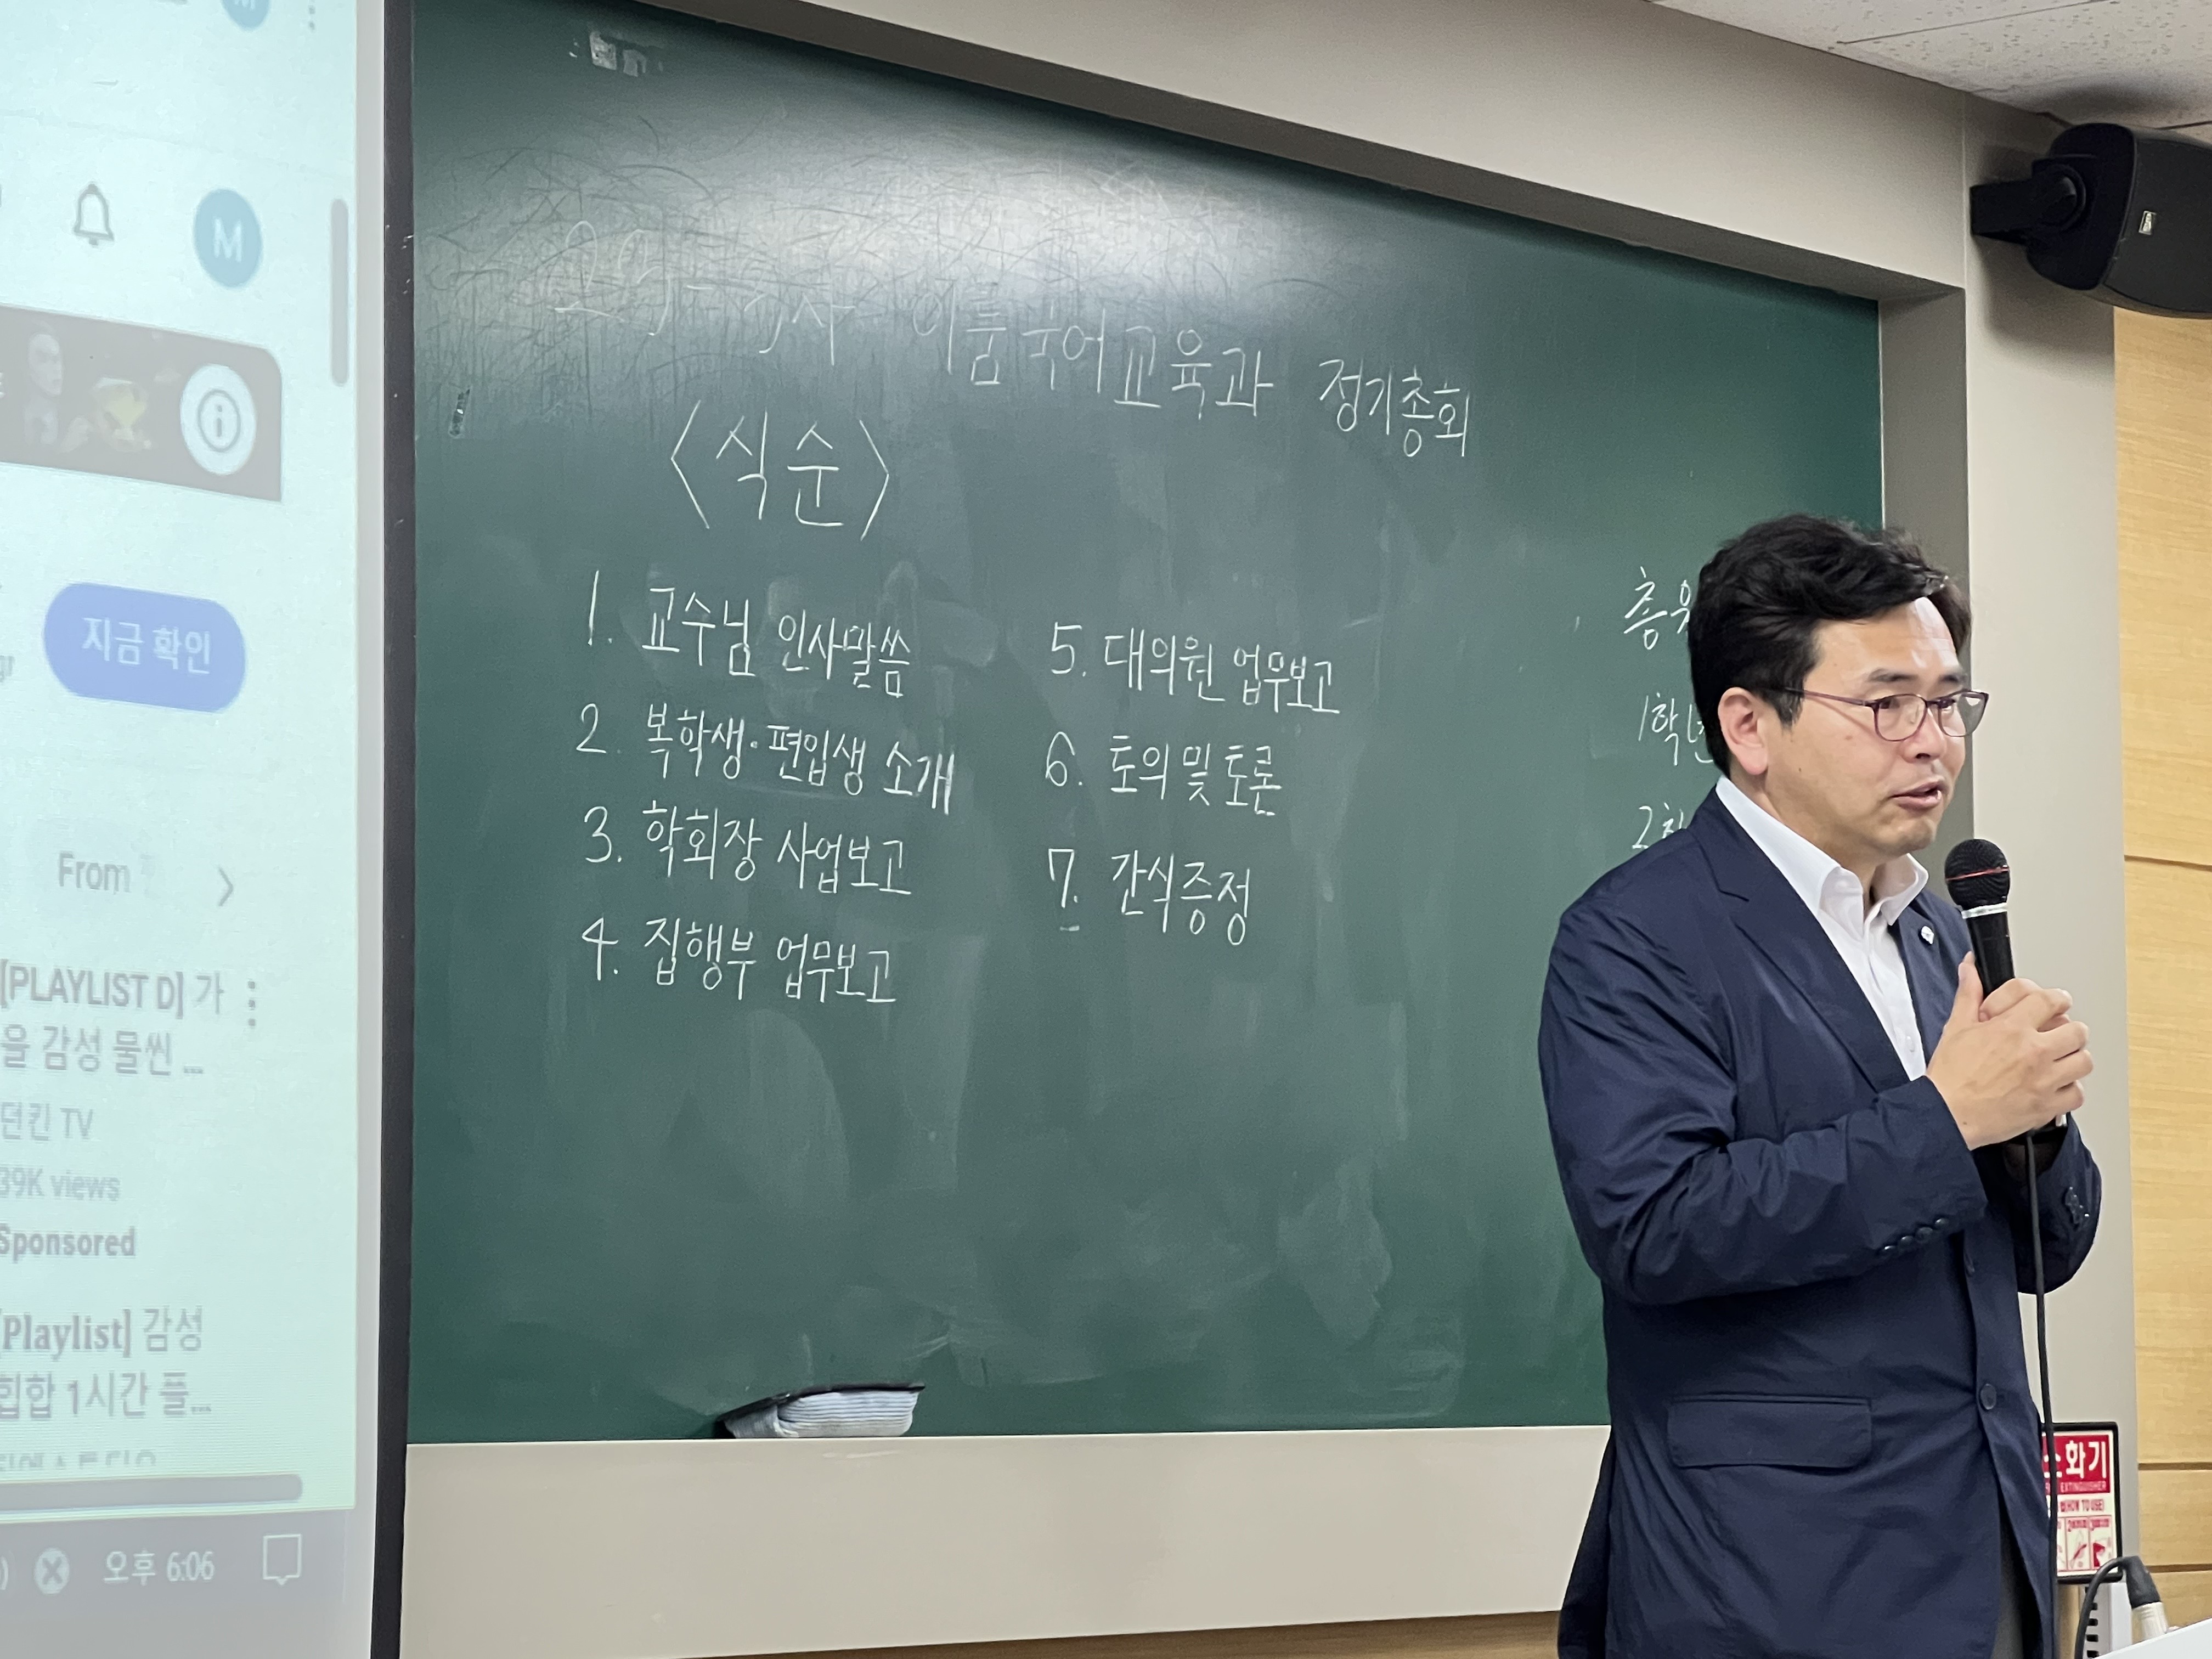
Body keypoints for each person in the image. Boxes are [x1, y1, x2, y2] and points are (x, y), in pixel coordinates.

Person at [1540, 515, 2100, 1659]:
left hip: (1985, 1552)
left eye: (1948, 702)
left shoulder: (1943, 931)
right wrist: (1951, 1117)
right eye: (1888, 705)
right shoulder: (1636, 937)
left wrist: (2032, 1128)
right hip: (1769, 1583)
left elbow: (2046, 1249)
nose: (1934, 744)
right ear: (1749, 724)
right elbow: (1654, 1227)